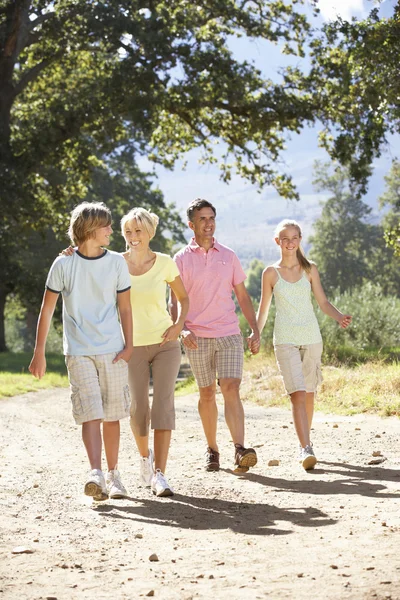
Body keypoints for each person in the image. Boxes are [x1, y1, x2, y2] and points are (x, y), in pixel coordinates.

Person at [29, 202, 133, 500]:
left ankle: (114, 476)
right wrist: (39, 352)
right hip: (78, 351)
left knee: (112, 415)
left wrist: (130, 345)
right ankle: (96, 474)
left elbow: (125, 307)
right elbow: (47, 309)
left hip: (113, 349)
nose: (112, 231)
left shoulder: (116, 263)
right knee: (90, 412)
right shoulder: (63, 264)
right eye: (107, 226)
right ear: (89, 229)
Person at [171, 198, 260, 474]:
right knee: (207, 392)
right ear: (191, 224)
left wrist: (255, 329)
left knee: (230, 387)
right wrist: (181, 327)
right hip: (197, 336)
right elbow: (175, 299)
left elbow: (242, 296)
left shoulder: (228, 255)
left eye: (211, 218)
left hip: (229, 333)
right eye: (202, 219)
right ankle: (212, 449)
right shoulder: (181, 259)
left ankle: (240, 448)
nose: (208, 224)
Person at [256, 219, 352, 470]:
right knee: (297, 393)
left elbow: (322, 302)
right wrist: (256, 333)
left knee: (309, 394)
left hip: (311, 338)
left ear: (300, 240)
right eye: (285, 238)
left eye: (294, 237)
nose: (290, 243)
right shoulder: (270, 273)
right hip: (285, 340)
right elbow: (264, 310)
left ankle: (305, 441)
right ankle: (305, 448)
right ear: (278, 241)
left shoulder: (310, 269)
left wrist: (339, 316)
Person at [120, 208, 189, 497]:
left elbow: (183, 298)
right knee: (138, 409)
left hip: (165, 344)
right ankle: (144, 459)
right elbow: (87, 263)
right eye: (128, 232)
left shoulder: (164, 263)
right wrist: (70, 252)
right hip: (131, 346)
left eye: (138, 231)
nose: (133, 237)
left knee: (162, 406)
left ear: (150, 232)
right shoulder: (115, 263)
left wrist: (178, 326)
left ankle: (160, 474)